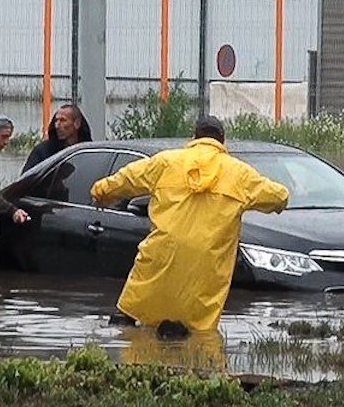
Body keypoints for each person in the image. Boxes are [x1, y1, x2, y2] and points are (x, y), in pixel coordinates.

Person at [90, 115, 289, 332]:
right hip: (208, 264)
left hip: (161, 253)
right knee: (198, 334)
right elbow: (278, 196)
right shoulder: (239, 173)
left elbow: (127, 178)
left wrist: (101, 192)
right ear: (223, 140)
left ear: (193, 137)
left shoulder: (166, 162)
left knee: (130, 318)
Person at [21, 104, 92, 172]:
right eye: (56, 120)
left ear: (77, 123)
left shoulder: (89, 152)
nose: (57, 125)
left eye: (63, 120)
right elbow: (26, 180)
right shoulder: (42, 152)